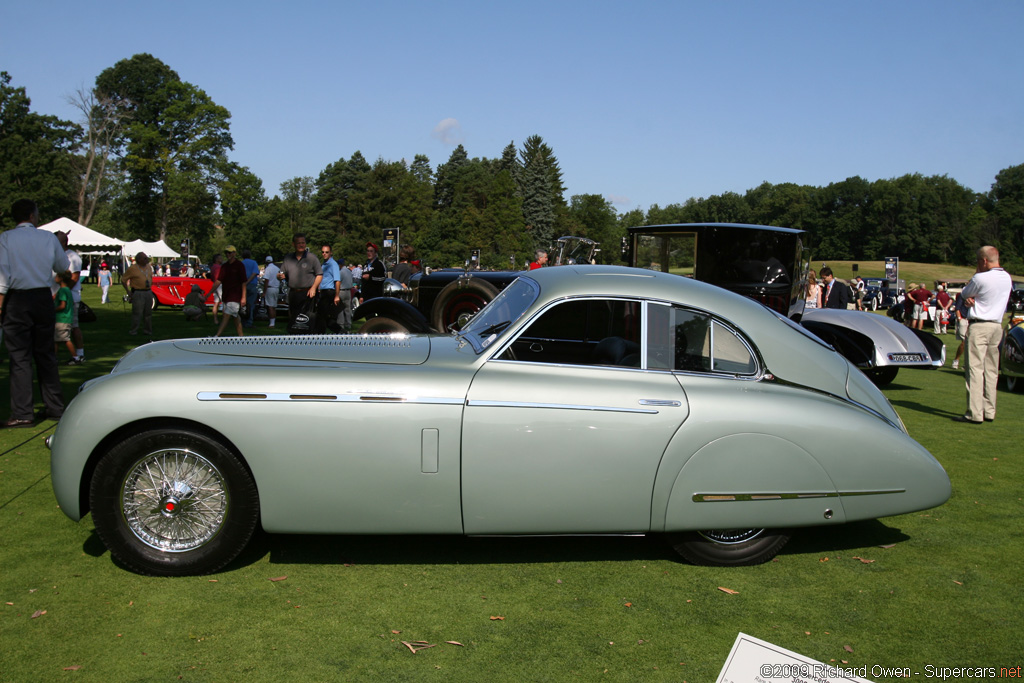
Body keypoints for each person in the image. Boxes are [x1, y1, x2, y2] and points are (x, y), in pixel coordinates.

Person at [0, 199, 70, 427]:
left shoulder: (6, 238)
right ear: (32, 216)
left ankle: (22, 412)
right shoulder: (48, 237)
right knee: (46, 354)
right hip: (41, 297)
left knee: (19, 356)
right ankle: (54, 407)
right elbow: (62, 266)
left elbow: (3, 275)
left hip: (16, 298)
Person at [954, 246, 1012, 424]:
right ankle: (989, 410)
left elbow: (964, 294)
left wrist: (972, 297)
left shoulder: (980, 277)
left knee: (975, 370)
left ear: (984, 261)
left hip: (979, 325)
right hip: (996, 326)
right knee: (992, 370)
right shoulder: (1007, 277)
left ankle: (974, 413)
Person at [278, 233, 322, 333]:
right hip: (293, 293)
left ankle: (308, 338)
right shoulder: (288, 258)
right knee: (294, 319)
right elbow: (281, 273)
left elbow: (319, 274)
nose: (301, 245)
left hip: (308, 293)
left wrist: (314, 287)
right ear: (293, 244)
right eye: (299, 243)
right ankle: (294, 338)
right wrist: (279, 276)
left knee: (307, 320)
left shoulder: (312, 258)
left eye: (303, 243)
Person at [54, 230, 86, 364]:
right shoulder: (54, 255)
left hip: (69, 298)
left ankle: (79, 354)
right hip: (57, 296)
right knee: (58, 329)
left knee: (73, 326)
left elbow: (74, 277)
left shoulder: (72, 257)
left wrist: (62, 292)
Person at [122, 251, 154, 336]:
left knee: (148, 313)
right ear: (139, 260)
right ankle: (134, 330)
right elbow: (123, 280)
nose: (146, 259)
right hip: (138, 292)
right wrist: (128, 291)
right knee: (137, 313)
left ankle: (148, 330)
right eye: (144, 258)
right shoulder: (133, 268)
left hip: (148, 291)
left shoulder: (149, 267)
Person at [316, 244, 341, 333]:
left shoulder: (333, 264)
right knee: (323, 317)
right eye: (323, 252)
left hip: (329, 292)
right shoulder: (324, 264)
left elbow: (337, 280)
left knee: (322, 316)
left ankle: (340, 332)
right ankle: (340, 332)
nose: (324, 254)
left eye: (326, 252)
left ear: (331, 253)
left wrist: (337, 295)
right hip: (323, 292)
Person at [54, 271, 77, 361]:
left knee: (64, 339)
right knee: (58, 339)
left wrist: (52, 310)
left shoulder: (63, 291)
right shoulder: (67, 289)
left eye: (57, 276)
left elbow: (62, 305)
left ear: (61, 278)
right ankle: (53, 357)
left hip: (62, 318)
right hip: (66, 318)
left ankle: (75, 357)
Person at [241, 249, 260, 328]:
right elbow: (255, 273)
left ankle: (242, 321)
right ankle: (249, 322)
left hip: (242, 285)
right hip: (251, 284)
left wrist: (244, 282)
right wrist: (248, 281)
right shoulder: (253, 263)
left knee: (243, 305)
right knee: (251, 305)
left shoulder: (241, 263)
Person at [262, 256, 281, 328]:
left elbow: (266, 280)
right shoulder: (277, 268)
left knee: (270, 306)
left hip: (270, 288)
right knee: (274, 306)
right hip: (276, 288)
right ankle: (273, 322)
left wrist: (264, 292)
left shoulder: (268, 269)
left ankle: (271, 323)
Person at [336, 256, 353, 333]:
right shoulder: (349, 271)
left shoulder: (340, 272)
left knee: (340, 309)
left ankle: (341, 324)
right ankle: (348, 323)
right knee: (347, 308)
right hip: (348, 291)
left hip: (342, 291)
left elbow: (338, 282)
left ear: (340, 265)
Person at [209, 253, 223, 323]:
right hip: (219, 285)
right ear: (217, 259)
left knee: (216, 303)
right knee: (224, 302)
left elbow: (212, 278)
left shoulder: (213, 267)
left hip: (215, 284)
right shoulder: (218, 267)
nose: (222, 259)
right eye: (220, 258)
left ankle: (215, 319)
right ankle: (225, 319)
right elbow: (219, 278)